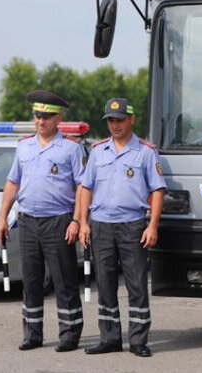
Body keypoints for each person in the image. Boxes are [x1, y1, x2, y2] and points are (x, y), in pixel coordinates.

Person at [0, 90, 86, 352]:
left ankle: (69, 335)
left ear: (58, 118)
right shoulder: (24, 146)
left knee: (64, 280)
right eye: (37, 116)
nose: (41, 121)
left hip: (58, 222)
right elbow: (13, 183)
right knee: (31, 280)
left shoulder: (71, 147)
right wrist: (3, 217)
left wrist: (77, 221)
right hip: (27, 222)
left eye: (47, 116)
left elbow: (82, 186)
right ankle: (32, 334)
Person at [78, 98, 166, 358]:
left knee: (136, 284)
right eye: (110, 121)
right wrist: (82, 222)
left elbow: (157, 191)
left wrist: (153, 226)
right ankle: (110, 338)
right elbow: (86, 187)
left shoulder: (146, 152)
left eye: (119, 120)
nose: (114, 125)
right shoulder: (97, 151)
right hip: (101, 225)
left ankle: (138, 340)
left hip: (133, 225)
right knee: (104, 284)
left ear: (131, 120)